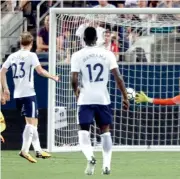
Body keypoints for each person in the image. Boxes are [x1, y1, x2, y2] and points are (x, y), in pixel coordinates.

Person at [70, 27, 129, 175]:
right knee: (105, 131)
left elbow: (74, 78)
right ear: (97, 39)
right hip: (103, 99)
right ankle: (107, 166)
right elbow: (118, 77)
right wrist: (125, 96)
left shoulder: (77, 55)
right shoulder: (107, 54)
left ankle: (90, 158)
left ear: (83, 39)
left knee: (83, 132)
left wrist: (75, 90)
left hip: (85, 99)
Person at [0, 32, 59, 163]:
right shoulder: (31, 55)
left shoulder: (12, 56)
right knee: (31, 124)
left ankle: (38, 150)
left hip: (18, 95)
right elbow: (40, 71)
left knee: (33, 123)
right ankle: (25, 150)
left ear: (20, 43)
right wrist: (52, 76)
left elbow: (2, 72)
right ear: (31, 44)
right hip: (28, 93)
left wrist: (5, 89)